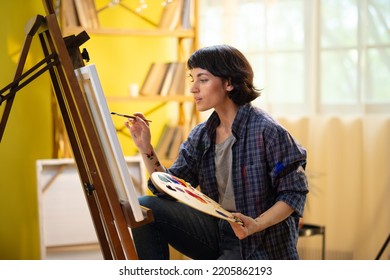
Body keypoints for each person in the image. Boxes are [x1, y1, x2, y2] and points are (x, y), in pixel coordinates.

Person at [125, 44, 308, 260]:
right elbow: (168, 189)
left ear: (229, 83)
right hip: (217, 233)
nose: (193, 88)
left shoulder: (267, 131)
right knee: (145, 207)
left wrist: (255, 224)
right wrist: (146, 148)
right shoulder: (201, 135)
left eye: (203, 79)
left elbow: (293, 192)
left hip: (259, 242)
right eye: (192, 79)